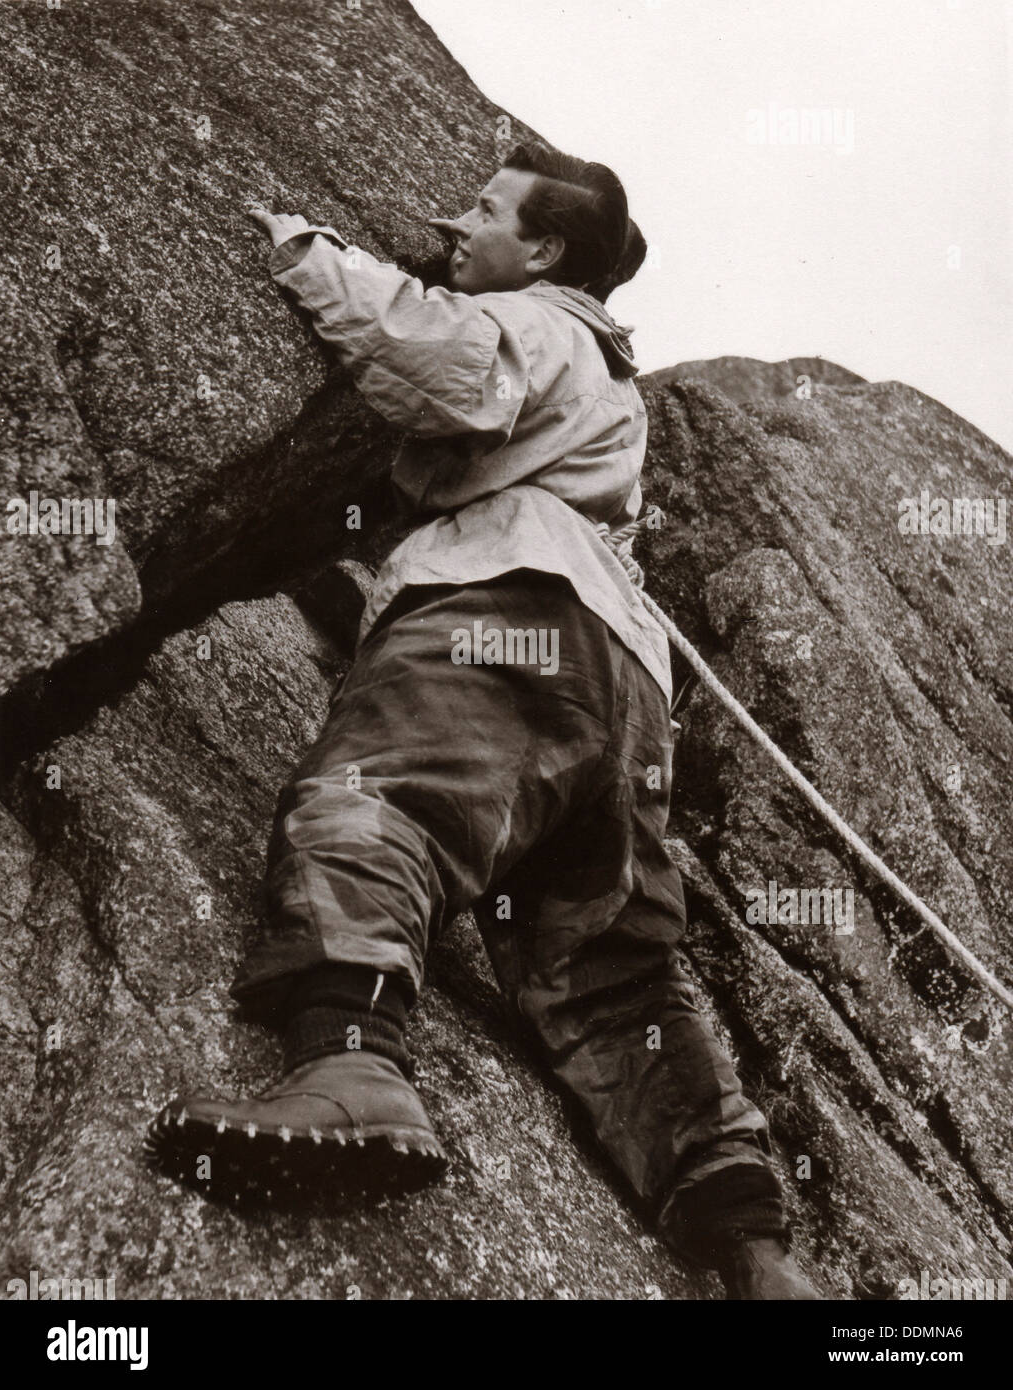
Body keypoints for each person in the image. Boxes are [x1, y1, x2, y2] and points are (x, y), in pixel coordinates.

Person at [148, 141, 821, 1300]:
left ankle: (350, 1063)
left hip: (507, 614)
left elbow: (438, 357)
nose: (452, 227)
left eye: (483, 210)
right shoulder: (607, 387)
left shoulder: (541, 322)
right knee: (613, 967)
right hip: (621, 686)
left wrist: (299, 243)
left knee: (380, 801)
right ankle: (748, 1247)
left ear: (546, 251)